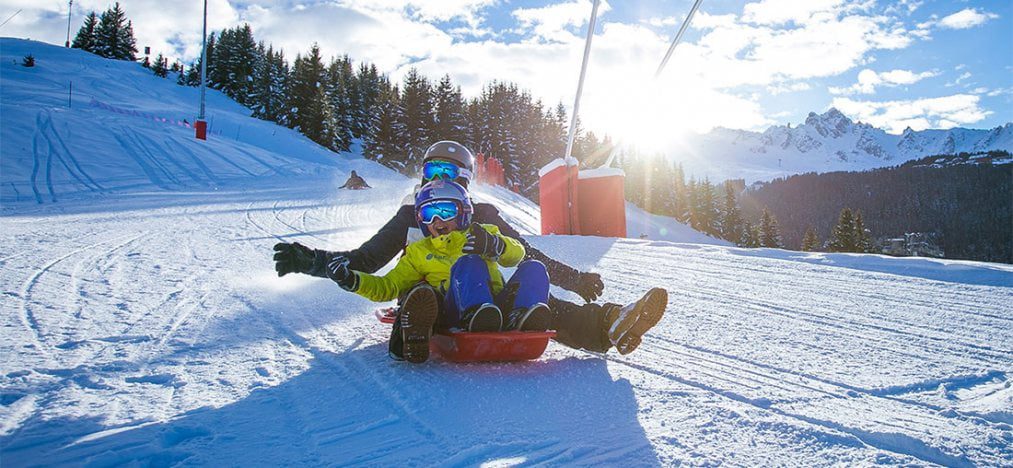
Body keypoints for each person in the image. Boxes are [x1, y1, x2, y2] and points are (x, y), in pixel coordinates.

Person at [274, 141, 667, 358]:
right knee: (420, 294)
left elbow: (526, 255)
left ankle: (609, 325)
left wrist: (575, 280)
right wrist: (314, 262)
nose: (439, 182)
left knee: (537, 296)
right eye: (432, 173)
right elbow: (366, 261)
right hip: (428, 293)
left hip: (483, 295)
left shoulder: (482, 214)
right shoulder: (413, 215)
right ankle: (413, 332)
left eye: (450, 175)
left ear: (466, 182)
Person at [325, 179, 551, 363]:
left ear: (463, 211)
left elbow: (517, 254)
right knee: (469, 264)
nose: (437, 220)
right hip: (456, 311)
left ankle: (521, 317)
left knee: (534, 268)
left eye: (445, 211)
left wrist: (496, 245)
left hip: (499, 308)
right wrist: (353, 280)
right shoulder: (419, 252)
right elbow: (388, 287)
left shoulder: (484, 233)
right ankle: (475, 314)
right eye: (428, 214)